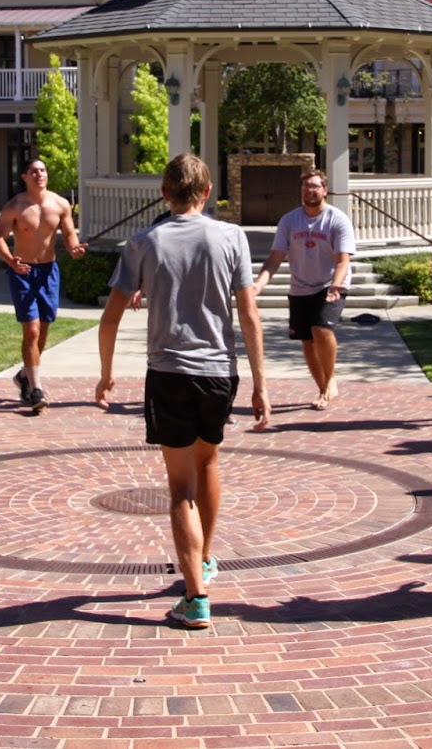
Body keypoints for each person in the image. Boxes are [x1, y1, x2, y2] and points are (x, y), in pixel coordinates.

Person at [95, 154, 269, 629]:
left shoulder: (144, 242)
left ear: (164, 193)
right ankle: (204, 559)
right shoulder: (231, 237)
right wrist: (260, 383)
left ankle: (195, 597)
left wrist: (106, 374)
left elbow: (109, 320)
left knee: (179, 489)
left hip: (169, 373)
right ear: (208, 191)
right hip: (219, 372)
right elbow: (250, 316)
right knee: (208, 462)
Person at [252, 169, 355, 411]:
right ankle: (323, 386)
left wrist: (335, 286)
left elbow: (343, 260)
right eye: (306, 186)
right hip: (300, 287)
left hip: (330, 283)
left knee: (321, 328)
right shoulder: (289, 221)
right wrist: (259, 284)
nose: (310, 190)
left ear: (324, 190)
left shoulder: (337, 219)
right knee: (307, 341)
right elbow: (275, 258)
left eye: (315, 186)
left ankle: (328, 383)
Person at [0, 158, 86, 412]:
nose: (39, 175)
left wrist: (74, 248)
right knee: (31, 331)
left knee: (43, 331)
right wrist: (11, 261)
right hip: (22, 272)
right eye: (33, 171)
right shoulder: (14, 206)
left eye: (42, 170)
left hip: (48, 272)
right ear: (24, 176)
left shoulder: (60, 204)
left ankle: (24, 375)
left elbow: (68, 235)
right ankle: (36, 389)